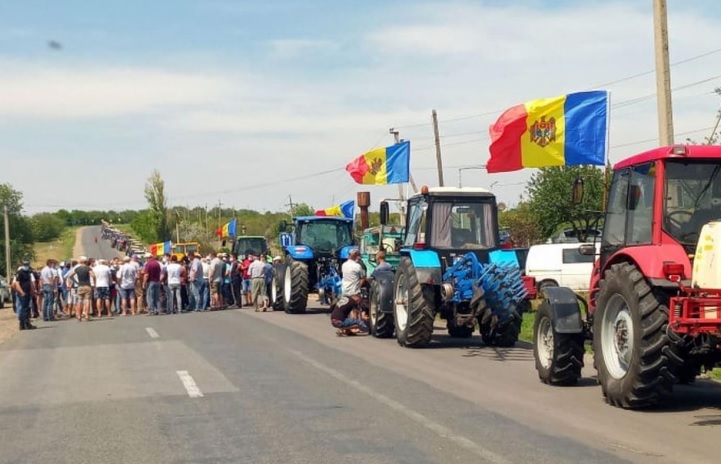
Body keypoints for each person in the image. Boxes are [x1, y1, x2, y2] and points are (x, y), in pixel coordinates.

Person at [65, 256, 95, 321]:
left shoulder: (77, 269)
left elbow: (70, 276)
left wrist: (76, 281)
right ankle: (86, 315)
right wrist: (94, 283)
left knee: (79, 301)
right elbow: (93, 275)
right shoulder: (88, 268)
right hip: (87, 285)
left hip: (80, 285)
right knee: (87, 300)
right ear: (86, 262)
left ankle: (79, 315)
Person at [12, 261, 37, 330]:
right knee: (24, 309)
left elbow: (30, 282)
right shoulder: (20, 273)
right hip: (23, 293)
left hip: (28, 292)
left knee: (26, 308)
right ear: (22, 265)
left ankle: (23, 324)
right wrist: (21, 292)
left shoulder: (28, 272)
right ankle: (25, 324)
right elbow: (17, 283)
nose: (26, 266)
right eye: (25, 265)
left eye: (27, 265)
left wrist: (33, 290)